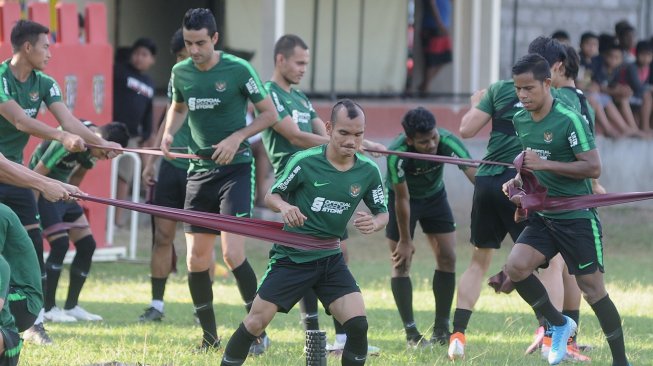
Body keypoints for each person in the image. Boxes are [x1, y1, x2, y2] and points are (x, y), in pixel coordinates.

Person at [220, 99, 389, 366]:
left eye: (358, 134)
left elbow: (383, 212)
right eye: (344, 133)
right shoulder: (305, 161)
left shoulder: (367, 170)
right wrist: (285, 207)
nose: (351, 141)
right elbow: (271, 195)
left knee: (358, 325)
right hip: (292, 257)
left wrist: (376, 223)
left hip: (330, 259)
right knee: (255, 322)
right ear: (329, 128)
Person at [160, 8, 278, 351]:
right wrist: (168, 134)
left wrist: (237, 137)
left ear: (214, 39)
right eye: (188, 43)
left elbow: (269, 114)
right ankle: (209, 338)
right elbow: (178, 107)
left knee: (231, 254)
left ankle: (258, 333)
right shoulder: (180, 72)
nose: (194, 50)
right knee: (196, 259)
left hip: (236, 170)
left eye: (200, 43)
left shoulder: (239, 70)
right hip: (199, 172)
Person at [262, 34, 385, 355]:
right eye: (299, 62)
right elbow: (296, 137)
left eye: (307, 63)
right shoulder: (269, 93)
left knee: (335, 257)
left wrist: (364, 144)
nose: (304, 69)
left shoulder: (300, 97)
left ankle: (341, 336)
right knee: (313, 257)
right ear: (281, 60)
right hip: (301, 185)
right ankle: (315, 333)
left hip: (333, 180)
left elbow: (324, 129)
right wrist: (347, 145)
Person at [504, 53, 630, 366]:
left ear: (548, 83)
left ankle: (621, 361)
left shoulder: (568, 117)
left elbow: (593, 167)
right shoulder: (520, 119)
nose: (523, 95)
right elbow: (531, 165)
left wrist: (544, 163)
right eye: (518, 88)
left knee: (593, 290)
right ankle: (559, 324)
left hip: (577, 218)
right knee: (516, 268)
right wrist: (517, 181)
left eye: (529, 88)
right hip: (545, 216)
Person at [0, 19, 119, 345]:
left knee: (33, 246)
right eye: (45, 46)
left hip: (18, 174)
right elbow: (20, 121)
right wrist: (60, 137)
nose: (50, 53)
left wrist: (99, 142)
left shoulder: (46, 83)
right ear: (27, 47)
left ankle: (35, 322)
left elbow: (68, 120)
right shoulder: (0, 79)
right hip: (4, 171)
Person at [450, 64, 530, 361]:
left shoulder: (498, 89)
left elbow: (467, 129)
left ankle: (457, 334)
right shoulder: (548, 94)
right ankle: (550, 335)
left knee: (477, 262)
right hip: (519, 184)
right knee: (547, 260)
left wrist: (475, 104)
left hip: (487, 181)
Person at [385, 107, 474, 348]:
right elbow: (402, 200)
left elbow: (474, 172)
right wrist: (405, 240)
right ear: (410, 140)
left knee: (448, 258)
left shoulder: (447, 141)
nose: (432, 144)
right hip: (402, 200)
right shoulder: (397, 154)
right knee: (401, 263)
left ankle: (441, 329)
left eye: (434, 137)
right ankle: (412, 334)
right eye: (424, 142)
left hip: (435, 197)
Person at [29, 121, 129, 323]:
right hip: (42, 190)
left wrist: (71, 198)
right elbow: (36, 175)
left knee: (87, 245)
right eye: (106, 154)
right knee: (60, 244)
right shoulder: (69, 139)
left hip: (63, 194)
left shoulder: (93, 150)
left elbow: (78, 177)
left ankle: (72, 306)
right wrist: (31, 214)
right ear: (101, 139)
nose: (105, 159)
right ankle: (48, 308)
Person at [139, 28, 192, 323]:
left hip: (201, 168)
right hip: (171, 167)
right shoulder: (179, 75)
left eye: (192, 52)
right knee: (162, 236)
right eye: (182, 56)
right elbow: (168, 119)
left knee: (199, 244)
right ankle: (156, 305)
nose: (188, 59)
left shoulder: (215, 77)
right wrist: (152, 162)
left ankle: (201, 310)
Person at [113, 37, 157, 226]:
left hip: (131, 137)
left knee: (124, 177)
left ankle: (117, 221)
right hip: (111, 131)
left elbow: (148, 110)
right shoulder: (119, 72)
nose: (139, 58)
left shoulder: (149, 83)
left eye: (144, 55)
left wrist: (147, 132)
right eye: (137, 53)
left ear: (152, 60)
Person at [417, 0, 452, 96]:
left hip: (442, 26)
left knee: (445, 57)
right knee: (432, 60)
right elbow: (431, 4)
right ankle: (425, 89)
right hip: (432, 27)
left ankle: (424, 85)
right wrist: (440, 24)